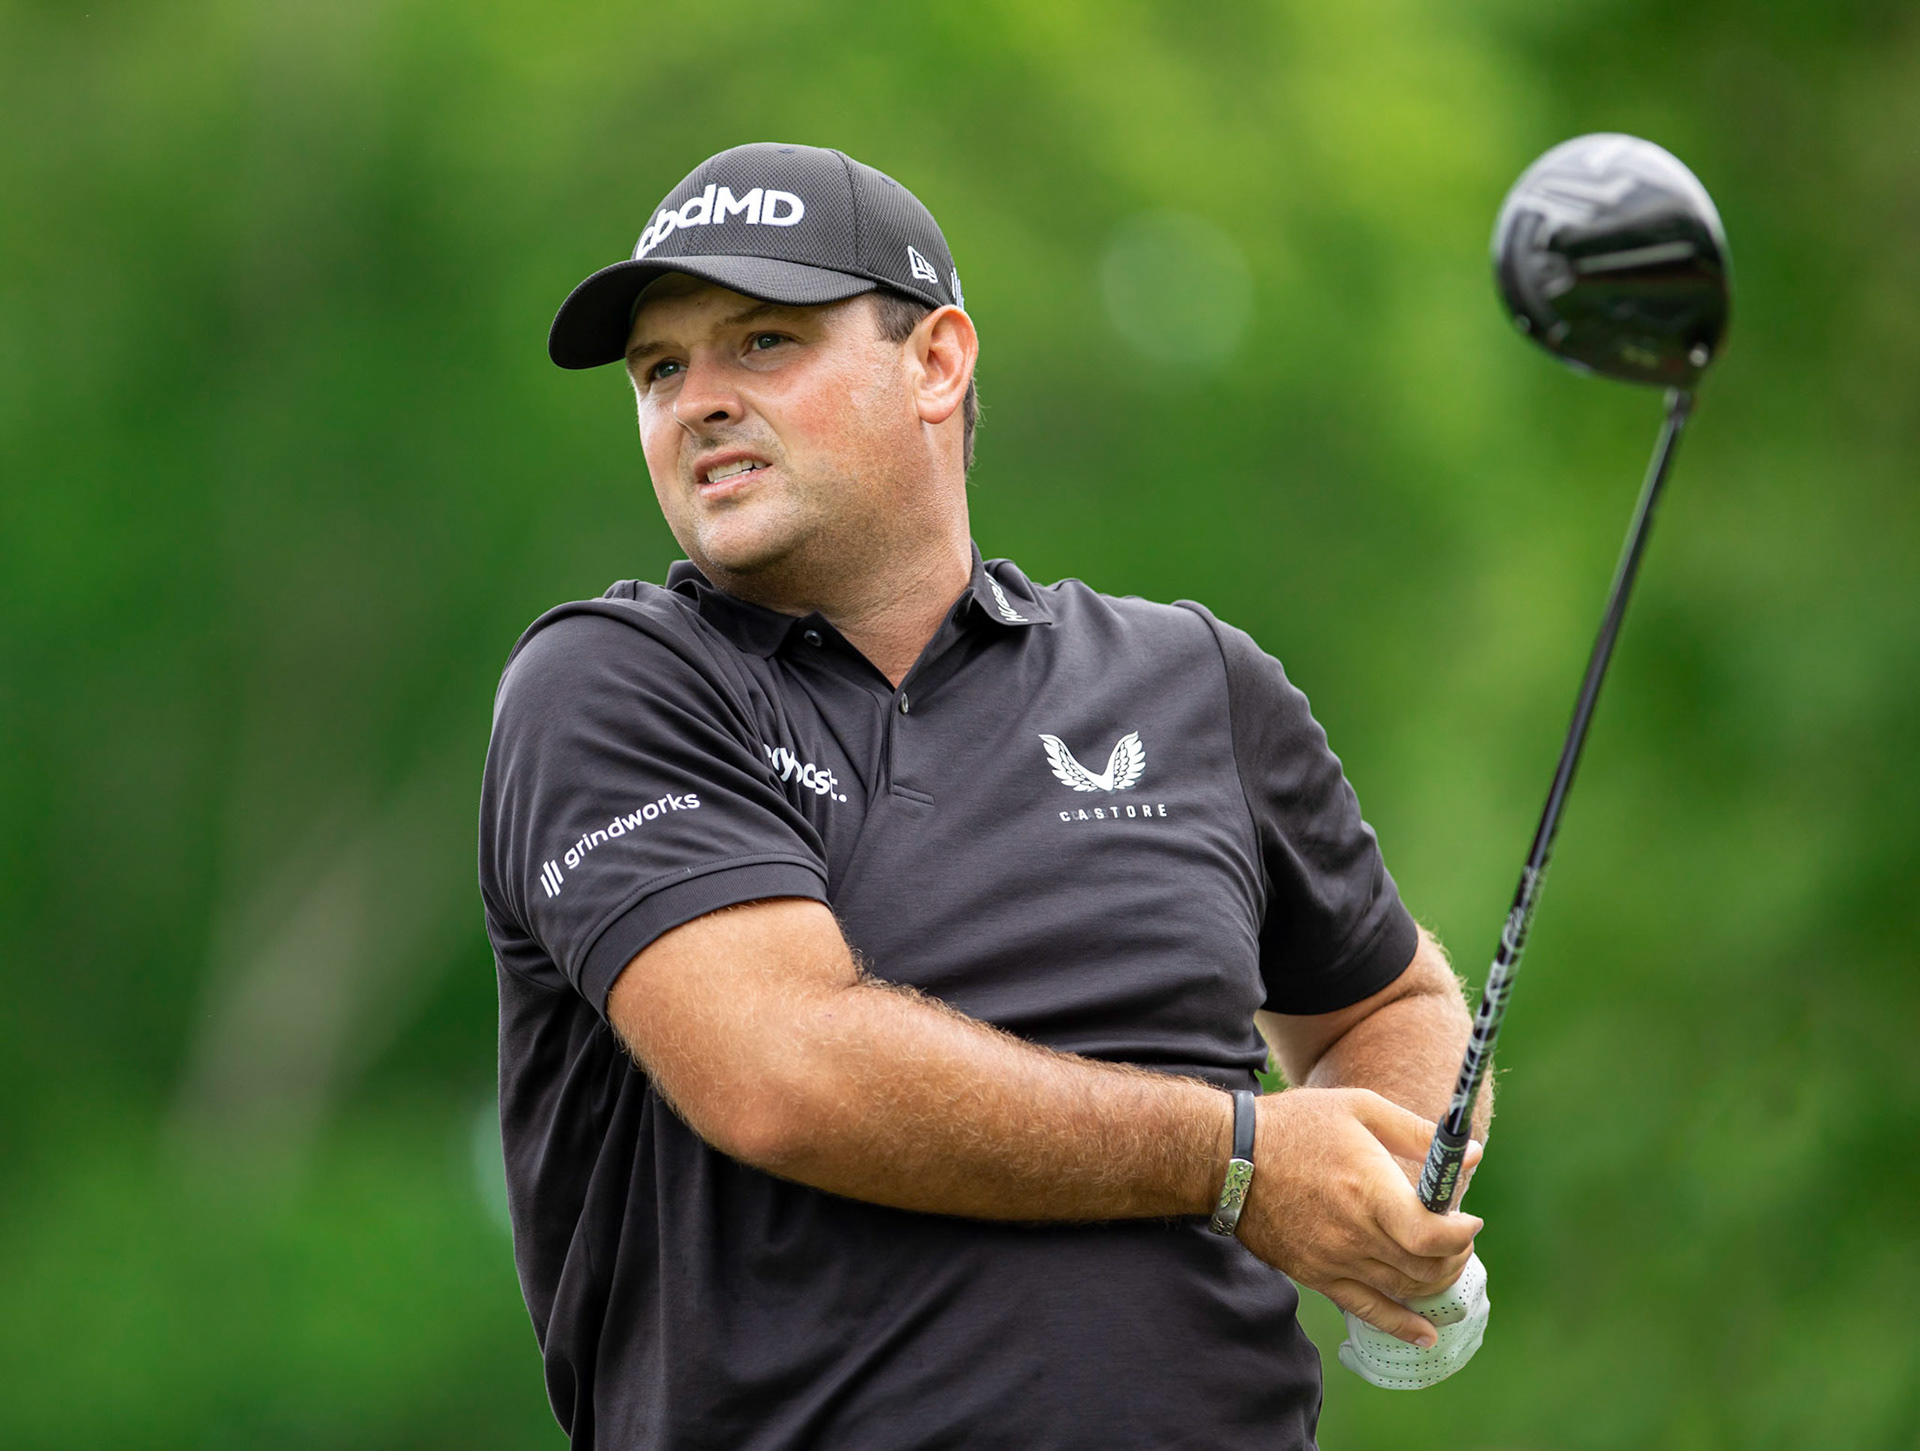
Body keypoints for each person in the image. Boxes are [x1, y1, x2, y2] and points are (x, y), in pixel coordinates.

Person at [478, 142, 1492, 1450]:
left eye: (763, 341)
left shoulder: (1192, 680)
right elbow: (784, 1069)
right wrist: (1241, 1160)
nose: (699, 402)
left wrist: (1378, 1190)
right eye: (660, 370)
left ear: (937, 362)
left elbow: (1387, 1000)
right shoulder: (611, 686)